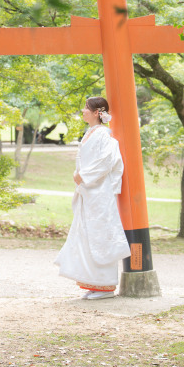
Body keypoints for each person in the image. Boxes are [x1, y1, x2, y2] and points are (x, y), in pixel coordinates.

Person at [54, 96, 131, 300]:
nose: (83, 111)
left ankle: (105, 285)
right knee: (87, 235)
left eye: (86, 108)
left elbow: (107, 161)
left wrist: (83, 175)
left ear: (98, 112)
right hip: (88, 192)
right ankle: (93, 282)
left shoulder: (104, 135)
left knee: (101, 235)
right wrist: (80, 176)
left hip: (100, 193)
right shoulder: (90, 133)